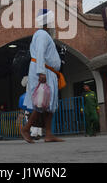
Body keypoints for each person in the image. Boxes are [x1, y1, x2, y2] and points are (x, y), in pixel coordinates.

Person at [21, 9, 64, 144]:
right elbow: (39, 52)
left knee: (48, 104)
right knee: (41, 102)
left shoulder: (44, 35)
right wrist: (41, 72)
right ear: (47, 23)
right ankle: (26, 129)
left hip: (48, 71)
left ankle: (49, 134)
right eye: (51, 22)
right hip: (43, 71)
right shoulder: (41, 34)